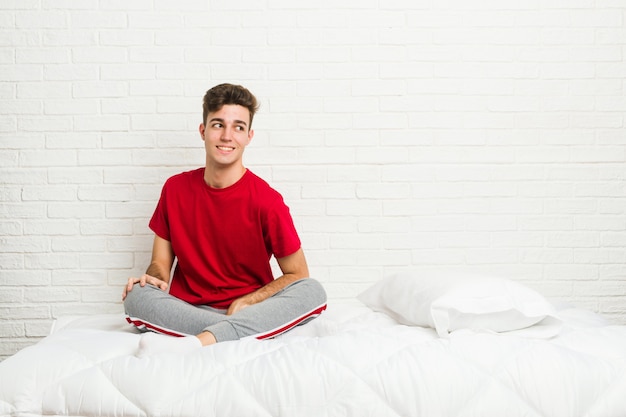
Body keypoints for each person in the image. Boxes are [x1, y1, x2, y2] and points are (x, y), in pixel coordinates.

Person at [122, 83, 327, 357]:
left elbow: (298, 274)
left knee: (312, 291)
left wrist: (249, 302)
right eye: (218, 124)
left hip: (250, 308)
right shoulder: (175, 189)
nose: (227, 136)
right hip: (188, 309)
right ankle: (234, 332)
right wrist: (154, 279)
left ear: (249, 136)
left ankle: (200, 341)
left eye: (238, 127)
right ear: (203, 130)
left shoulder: (267, 200)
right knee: (137, 294)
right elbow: (160, 264)